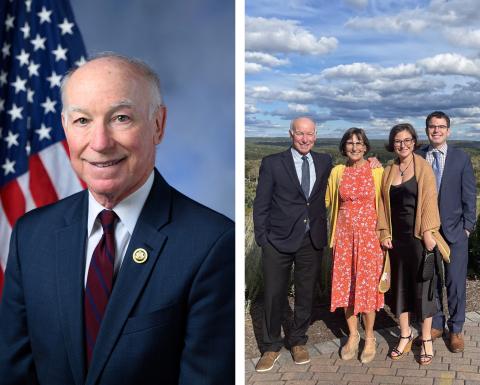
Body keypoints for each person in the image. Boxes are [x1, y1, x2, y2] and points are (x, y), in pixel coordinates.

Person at [0, 54, 234, 384]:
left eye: (120, 118)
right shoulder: (31, 235)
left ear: (158, 125)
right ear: (65, 128)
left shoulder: (212, 243)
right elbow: (13, 372)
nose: (100, 143)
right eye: (82, 121)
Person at [252, 117, 332, 371]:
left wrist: (374, 161)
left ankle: (298, 341)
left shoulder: (325, 161)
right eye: (300, 134)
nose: (305, 139)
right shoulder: (273, 163)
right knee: (274, 294)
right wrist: (263, 239)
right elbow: (261, 203)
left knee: (305, 293)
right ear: (291, 134)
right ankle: (271, 346)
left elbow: (350, 167)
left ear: (316, 136)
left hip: (312, 239)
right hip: (277, 240)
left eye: (309, 134)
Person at [377, 123, 447, 366]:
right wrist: (384, 232)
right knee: (400, 290)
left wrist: (428, 231)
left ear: (414, 142)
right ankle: (405, 335)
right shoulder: (388, 169)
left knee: (424, 290)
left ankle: (426, 338)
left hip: (418, 238)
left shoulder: (423, 167)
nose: (403, 144)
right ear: (392, 144)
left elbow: (430, 200)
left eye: (407, 140)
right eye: (398, 140)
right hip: (396, 241)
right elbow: (381, 205)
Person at [416, 111, 476, 353]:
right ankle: (437, 323)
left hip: (455, 233)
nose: (436, 130)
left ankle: (457, 329)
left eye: (441, 127)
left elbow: (469, 194)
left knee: (455, 283)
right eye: (432, 126)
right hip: (427, 232)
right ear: (427, 129)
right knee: (431, 281)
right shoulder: (418, 156)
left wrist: (468, 228)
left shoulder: (460, 158)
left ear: (448, 131)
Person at [326, 127, 384, 364]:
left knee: (368, 288)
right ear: (344, 147)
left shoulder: (377, 171)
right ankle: (353, 334)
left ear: (366, 147)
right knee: (347, 286)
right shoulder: (337, 172)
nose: (354, 147)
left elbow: (389, 199)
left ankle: (369, 337)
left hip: (370, 239)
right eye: (350, 143)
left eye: (359, 143)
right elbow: (327, 200)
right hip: (344, 238)